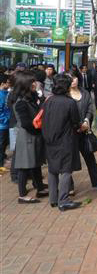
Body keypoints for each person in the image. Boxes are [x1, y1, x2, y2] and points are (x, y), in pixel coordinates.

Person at [42, 74, 83, 211]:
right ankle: (64, 200)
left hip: (49, 139)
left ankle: (53, 198)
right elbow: (76, 122)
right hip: (65, 140)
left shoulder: (48, 101)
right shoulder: (69, 102)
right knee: (66, 170)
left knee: (53, 169)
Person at [68, 72, 97, 192]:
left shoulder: (85, 92)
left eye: (74, 77)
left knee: (90, 158)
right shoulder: (65, 95)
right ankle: (69, 186)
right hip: (71, 132)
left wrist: (87, 121)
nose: (73, 80)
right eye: (70, 78)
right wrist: (77, 125)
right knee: (70, 159)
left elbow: (90, 108)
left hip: (84, 130)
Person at [9, 71, 47, 204]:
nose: (34, 84)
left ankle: (40, 187)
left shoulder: (30, 97)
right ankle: (22, 195)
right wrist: (38, 127)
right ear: (24, 84)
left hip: (34, 136)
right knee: (24, 166)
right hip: (27, 137)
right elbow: (25, 123)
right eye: (31, 82)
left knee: (35, 163)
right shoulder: (21, 102)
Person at [0, 74, 10, 173]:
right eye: (7, 82)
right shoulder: (1, 95)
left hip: (5, 124)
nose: (9, 84)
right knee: (1, 145)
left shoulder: (5, 93)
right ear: (3, 84)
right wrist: (6, 119)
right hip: (2, 125)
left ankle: (2, 161)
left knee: (3, 145)